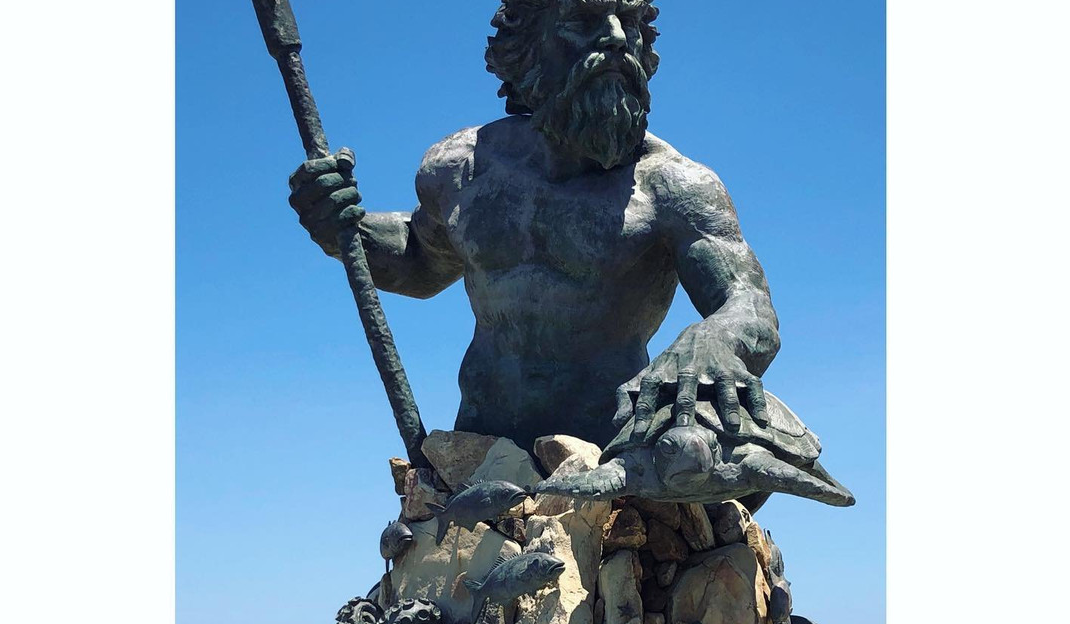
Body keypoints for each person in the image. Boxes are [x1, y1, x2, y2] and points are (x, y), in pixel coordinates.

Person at [288, 0, 781, 455]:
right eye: (582, 21)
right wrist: (342, 226)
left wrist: (713, 339)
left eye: (628, 24)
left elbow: (749, 305)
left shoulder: (673, 186)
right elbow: (420, 261)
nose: (614, 38)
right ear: (526, 51)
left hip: (611, 459)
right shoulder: (462, 168)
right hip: (480, 453)